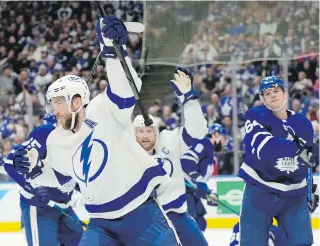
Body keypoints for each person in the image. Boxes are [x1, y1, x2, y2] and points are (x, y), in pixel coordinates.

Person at [14, 16, 179, 245]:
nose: (55, 109)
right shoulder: (55, 141)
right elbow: (60, 178)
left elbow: (126, 89)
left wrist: (113, 50)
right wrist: (32, 168)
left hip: (142, 215)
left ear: (76, 101)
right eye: (53, 103)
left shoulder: (103, 109)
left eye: (59, 102)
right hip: (101, 223)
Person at [237, 75, 319, 246]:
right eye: (267, 93)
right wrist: (298, 148)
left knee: (301, 243)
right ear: (262, 99)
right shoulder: (255, 116)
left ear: (285, 94)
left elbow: (308, 160)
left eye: (276, 91)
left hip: (294, 194)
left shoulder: (302, 122)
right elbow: (265, 149)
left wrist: (309, 187)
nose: (273, 95)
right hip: (260, 191)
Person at [132, 67, 208, 246]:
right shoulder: (126, 152)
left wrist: (189, 99)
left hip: (178, 216)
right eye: (140, 131)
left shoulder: (169, 141)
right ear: (133, 134)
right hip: (145, 222)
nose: (145, 135)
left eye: (149, 130)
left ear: (157, 132)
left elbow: (198, 131)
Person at [3, 114, 83, 246]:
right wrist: (32, 189)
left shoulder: (82, 136)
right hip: (41, 207)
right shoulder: (45, 133)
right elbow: (10, 162)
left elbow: (73, 175)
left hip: (65, 208)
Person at [180, 123, 226, 231]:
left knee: (200, 223)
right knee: (191, 225)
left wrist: (207, 193)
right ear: (215, 134)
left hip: (192, 191)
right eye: (223, 138)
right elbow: (187, 161)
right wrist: (199, 181)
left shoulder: (210, 152)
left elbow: (198, 182)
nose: (225, 142)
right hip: (184, 190)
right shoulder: (203, 144)